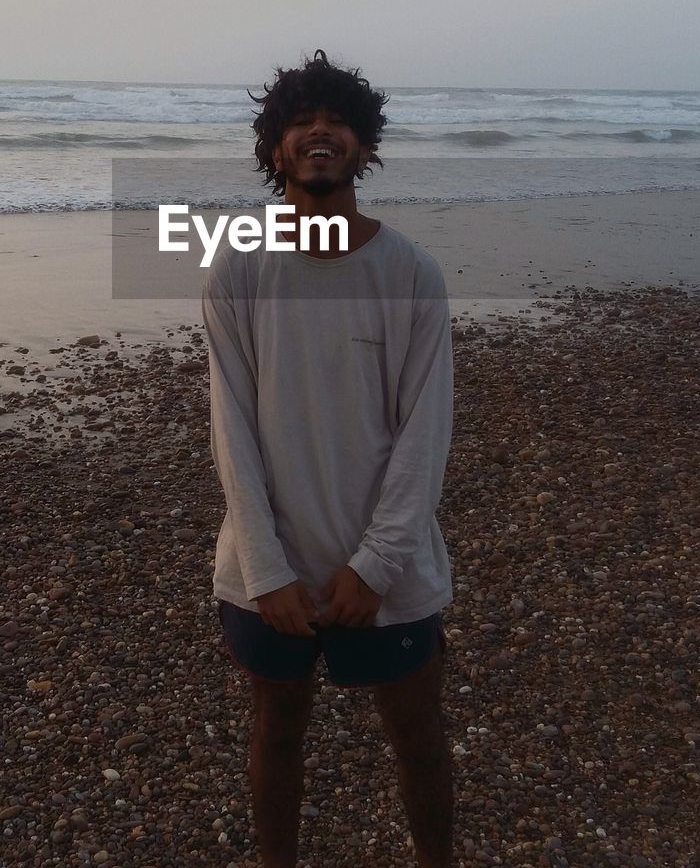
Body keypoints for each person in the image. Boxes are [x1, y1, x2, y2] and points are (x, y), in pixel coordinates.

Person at [201, 49, 455, 868]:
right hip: (267, 566)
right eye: (299, 122)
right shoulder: (238, 269)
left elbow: (424, 433)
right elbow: (230, 427)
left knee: (417, 735)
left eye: (336, 120)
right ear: (275, 150)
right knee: (277, 730)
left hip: (390, 569)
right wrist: (267, 569)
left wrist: (378, 563)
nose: (319, 132)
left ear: (363, 147)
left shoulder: (409, 273)